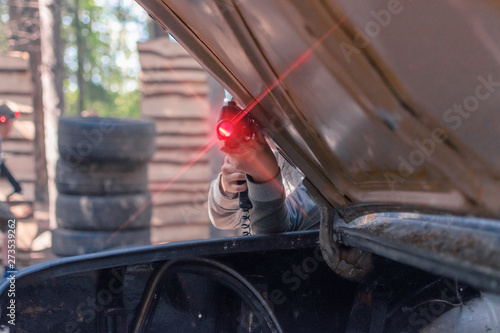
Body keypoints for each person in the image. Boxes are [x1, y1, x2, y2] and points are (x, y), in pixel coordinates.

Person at [208, 124, 320, 235]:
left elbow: (278, 232)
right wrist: (227, 189)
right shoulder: (277, 152)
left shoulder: (322, 160)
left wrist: (264, 178)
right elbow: (223, 220)